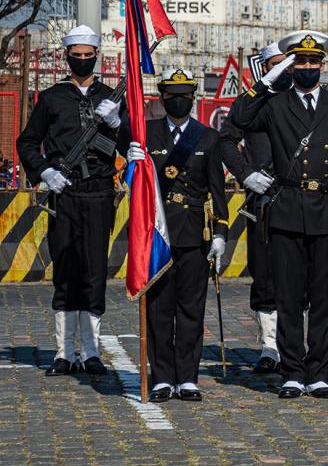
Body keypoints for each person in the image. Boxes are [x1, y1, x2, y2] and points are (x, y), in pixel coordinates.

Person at [228, 30, 328, 400]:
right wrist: (265, 84)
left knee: (324, 299)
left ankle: (319, 372)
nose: (307, 67)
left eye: (313, 62)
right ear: (290, 65)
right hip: (286, 210)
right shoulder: (274, 105)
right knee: (288, 298)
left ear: (323, 65)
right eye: (299, 61)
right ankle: (291, 371)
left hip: (326, 213)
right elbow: (234, 122)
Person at [16, 25, 123, 377]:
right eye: (75, 56)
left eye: (87, 56)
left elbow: (132, 145)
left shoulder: (110, 96)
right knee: (64, 267)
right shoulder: (50, 98)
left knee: (94, 269)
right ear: (66, 57)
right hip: (65, 191)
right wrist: (45, 172)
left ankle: (91, 351)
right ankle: (63, 351)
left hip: (99, 192)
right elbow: (28, 142)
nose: (81, 61)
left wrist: (116, 122)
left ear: (96, 56)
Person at [124, 68, 228, 403]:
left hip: (194, 237)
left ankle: (188, 378)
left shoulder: (207, 137)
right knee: (158, 310)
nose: (179, 100)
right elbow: (133, 184)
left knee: (191, 310)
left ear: (193, 97)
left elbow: (217, 190)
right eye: (173, 95)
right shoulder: (146, 135)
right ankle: (162, 378)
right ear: (163, 98)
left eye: (185, 94)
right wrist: (129, 161)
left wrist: (221, 233)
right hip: (157, 236)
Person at [219, 42, 285, 374]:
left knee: (300, 277)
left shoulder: (305, 101)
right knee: (264, 275)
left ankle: (294, 343)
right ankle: (270, 347)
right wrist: (245, 175)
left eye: (286, 63)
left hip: (299, 200)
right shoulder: (250, 105)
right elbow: (226, 140)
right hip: (262, 199)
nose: (281, 69)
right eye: (274, 64)